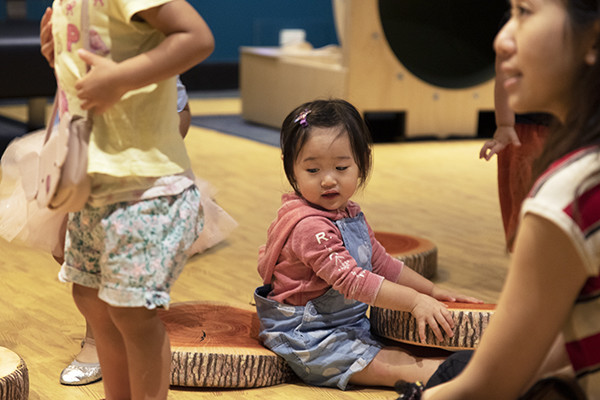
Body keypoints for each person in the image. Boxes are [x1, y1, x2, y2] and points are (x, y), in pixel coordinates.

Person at [37, 5, 235, 388]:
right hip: (94, 183)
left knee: (131, 312)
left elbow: (197, 38)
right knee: (93, 301)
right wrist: (58, 54)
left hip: (147, 189)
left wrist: (120, 79)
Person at [420, 0, 600, 398]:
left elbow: (485, 388)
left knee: (456, 373)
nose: (502, 40)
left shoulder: (574, 192)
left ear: (593, 36)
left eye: (525, 12)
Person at [254, 99, 481, 391]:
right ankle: (470, 385)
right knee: (402, 368)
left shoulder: (349, 212)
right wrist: (414, 300)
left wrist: (431, 290)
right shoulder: (309, 227)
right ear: (292, 170)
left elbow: (381, 262)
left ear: (361, 163)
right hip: (311, 339)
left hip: (348, 327)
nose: (328, 180)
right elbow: (354, 282)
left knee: (414, 351)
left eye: (341, 166)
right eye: (312, 170)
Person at [478, 16, 553, 252]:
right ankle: (530, 268)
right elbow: (504, 69)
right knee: (528, 210)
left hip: (571, 129)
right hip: (527, 132)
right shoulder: (521, 20)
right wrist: (505, 125)